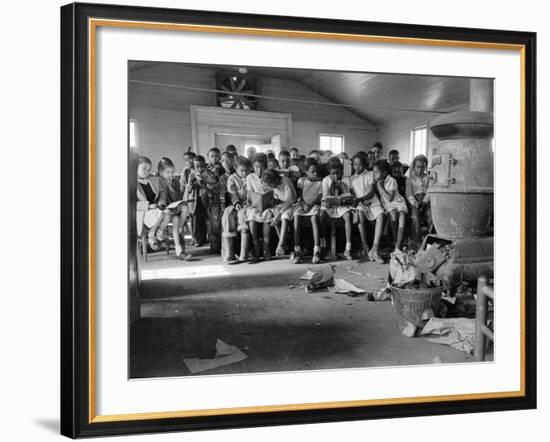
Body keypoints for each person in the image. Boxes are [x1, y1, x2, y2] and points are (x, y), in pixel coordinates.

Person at [350, 155, 385, 262]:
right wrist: (356, 200)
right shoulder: (351, 178)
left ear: (365, 165)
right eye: (355, 164)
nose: (357, 167)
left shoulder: (369, 174)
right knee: (360, 214)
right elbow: (352, 194)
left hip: (372, 201)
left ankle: (375, 248)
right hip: (360, 204)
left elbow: (370, 192)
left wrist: (361, 198)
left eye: (360, 165)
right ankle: (365, 247)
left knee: (381, 215)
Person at [156, 157, 192, 260]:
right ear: (160, 172)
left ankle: (179, 251)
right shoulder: (159, 182)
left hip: (174, 208)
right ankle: (180, 248)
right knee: (181, 212)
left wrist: (186, 190)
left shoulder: (175, 182)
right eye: (168, 172)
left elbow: (179, 197)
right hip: (165, 209)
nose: (171, 174)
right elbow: (161, 198)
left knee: (179, 217)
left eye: (172, 171)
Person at [320, 159, 354, 260]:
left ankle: (348, 248)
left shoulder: (346, 179)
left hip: (342, 206)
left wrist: (343, 192)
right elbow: (324, 197)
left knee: (348, 215)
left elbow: (349, 195)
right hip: (330, 206)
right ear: (329, 172)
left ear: (341, 171)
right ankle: (323, 246)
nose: (335, 176)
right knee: (321, 215)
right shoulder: (326, 180)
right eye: (333, 174)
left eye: (338, 173)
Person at [291, 158, 323, 264]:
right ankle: (297, 250)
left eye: (316, 171)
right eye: (312, 171)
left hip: (314, 205)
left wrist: (310, 205)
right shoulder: (302, 181)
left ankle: (316, 250)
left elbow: (319, 196)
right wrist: (304, 204)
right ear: (306, 172)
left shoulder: (320, 182)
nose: (315, 173)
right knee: (296, 217)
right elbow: (299, 195)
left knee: (314, 218)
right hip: (303, 204)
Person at [373, 159, 408, 251]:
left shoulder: (391, 180)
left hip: (397, 202)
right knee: (393, 215)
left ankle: (398, 244)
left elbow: (390, 198)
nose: (374, 175)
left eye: (376, 173)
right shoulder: (376, 182)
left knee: (402, 216)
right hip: (388, 206)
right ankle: (397, 241)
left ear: (384, 173)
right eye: (374, 173)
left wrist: (380, 187)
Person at [221, 156, 251, 263]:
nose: (244, 173)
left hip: (248, 205)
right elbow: (232, 192)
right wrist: (236, 203)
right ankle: (229, 252)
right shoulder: (232, 178)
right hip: (235, 203)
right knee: (227, 214)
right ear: (236, 169)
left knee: (242, 215)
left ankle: (244, 252)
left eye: (247, 170)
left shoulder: (251, 177)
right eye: (242, 170)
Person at [245, 153, 274, 262]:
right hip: (254, 205)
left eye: (262, 167)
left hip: (267, 205)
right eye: (257, 167)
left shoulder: (270, 175)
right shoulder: (250, 177)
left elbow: (273, 191)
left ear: (266, 166)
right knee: (252, 217)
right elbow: (250, 194)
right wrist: (252, 202)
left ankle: (266, 247)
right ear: (253, 167)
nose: (259, 170)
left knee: (267, 215)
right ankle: (255, 245)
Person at [262, 168, 297, 259]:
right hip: (281, 204)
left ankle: (280, 244)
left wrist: (280, 213)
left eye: (270, 184)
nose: (270, 186)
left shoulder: (286, 181)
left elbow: (290, 200)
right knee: (272, 215)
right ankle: (283, 243)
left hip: (292, 205)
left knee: (284, 217)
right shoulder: (274, 186)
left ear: (275, 180)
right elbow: (277, 198)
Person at [136, 156, 163, 251]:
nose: (147, 172)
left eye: (148, 170)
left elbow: (158, 195)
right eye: (144, 169)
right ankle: (153, 235)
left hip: (155, 208)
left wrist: (159, 203)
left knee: (167, 212)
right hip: (142, 211)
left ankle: (155, 234)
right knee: (158, 214)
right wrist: (148, 206)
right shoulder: (130, 183)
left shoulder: (152, 181)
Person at [406, 154, 431, 244]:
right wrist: (416, 203)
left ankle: (429, 238)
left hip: (426, 200)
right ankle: (417, 240)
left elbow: (429, 191)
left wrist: (424, 201)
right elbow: (409, 194)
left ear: (425, 167)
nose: (420, 170)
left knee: (431, 215)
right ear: (414, 167)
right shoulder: (410, 179)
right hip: (414, 201)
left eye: (422, 167)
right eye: (418, 167)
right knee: (415, 217)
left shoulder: (428, 178)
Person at [185, 155, 208, 246]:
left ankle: (202, 239)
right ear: (194, 166)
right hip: (195, 200)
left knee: (203, 221)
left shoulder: (207, 174)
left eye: (202, 166)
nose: (200, 168)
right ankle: (195, 239)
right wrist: (190, 181)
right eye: (197, 166)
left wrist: (202, 180)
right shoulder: (191, 174)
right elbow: (189, 190)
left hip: (204, 199)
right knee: (195, 220)